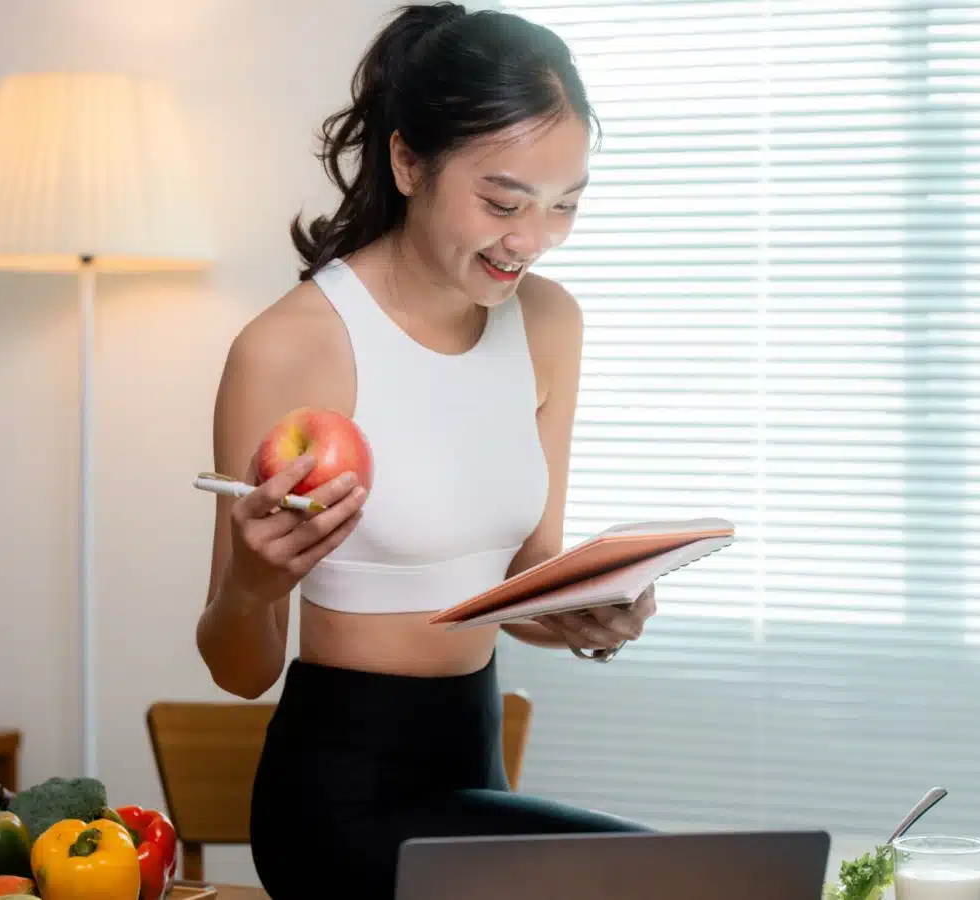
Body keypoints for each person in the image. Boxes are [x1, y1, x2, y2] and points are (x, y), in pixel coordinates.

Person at [195, 3, 657, 897]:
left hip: (473, 768)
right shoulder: (292, 347)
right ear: (408, 160)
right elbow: (239, 668)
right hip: (339, 798)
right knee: (670, 880)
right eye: (502, 201)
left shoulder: (550, 324)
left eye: (564, 205)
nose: (531, 240)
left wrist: (586, 617)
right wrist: (252, 584)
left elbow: (517, 590)